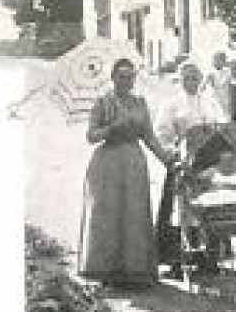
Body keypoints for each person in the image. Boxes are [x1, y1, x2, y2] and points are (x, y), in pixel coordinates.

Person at [80, 58, 173, 288]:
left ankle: (134, 271)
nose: (126, 81)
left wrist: (166, 159)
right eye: (121, 77)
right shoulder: (103, 103)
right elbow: (91, 135)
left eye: (130, 77)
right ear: (112, 78)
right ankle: (107, 271)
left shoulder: (140, 103)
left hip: (133, 163)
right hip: (107, 164)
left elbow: (149, 136)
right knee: (109, 215)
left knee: (134, 214)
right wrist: (111, 128)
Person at [155, 58, 227, 276]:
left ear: (201, 79)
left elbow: (223, 127)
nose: (191, 81)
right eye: (187, 78)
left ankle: (210, 257)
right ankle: (176, 261)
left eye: (195, 77)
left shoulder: (210, 102)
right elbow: (162, 133)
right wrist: (173, 154)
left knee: (211, 209)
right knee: (179, 211)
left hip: (208, 164)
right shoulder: (172, 104)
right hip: (183, 163)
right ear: (181, 80)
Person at [205, 51, 236, 121]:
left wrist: (231, 65)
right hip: (215, 97)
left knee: (226, 116)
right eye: (215, 59)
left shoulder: (226, 72)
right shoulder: (211, 73)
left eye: (221, 60)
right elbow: (204, 86)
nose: (216, 62)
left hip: (226, 97)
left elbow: (234, 77)